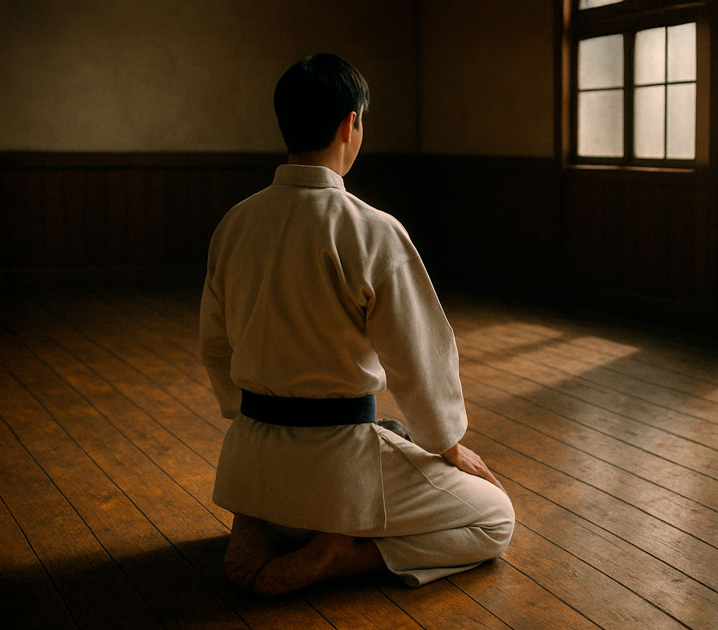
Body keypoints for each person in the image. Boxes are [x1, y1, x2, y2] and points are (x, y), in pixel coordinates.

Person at [199, 53, 514, 595]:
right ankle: (339, 554)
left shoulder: (236, 222)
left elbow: (214, 345)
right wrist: (447, 444)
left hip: (250, 461)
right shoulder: (372, 231)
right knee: (495, 519)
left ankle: (254, 521)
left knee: (335, 459)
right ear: (351, 124)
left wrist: (250, 417)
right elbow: (421, 359)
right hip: (334, 476)